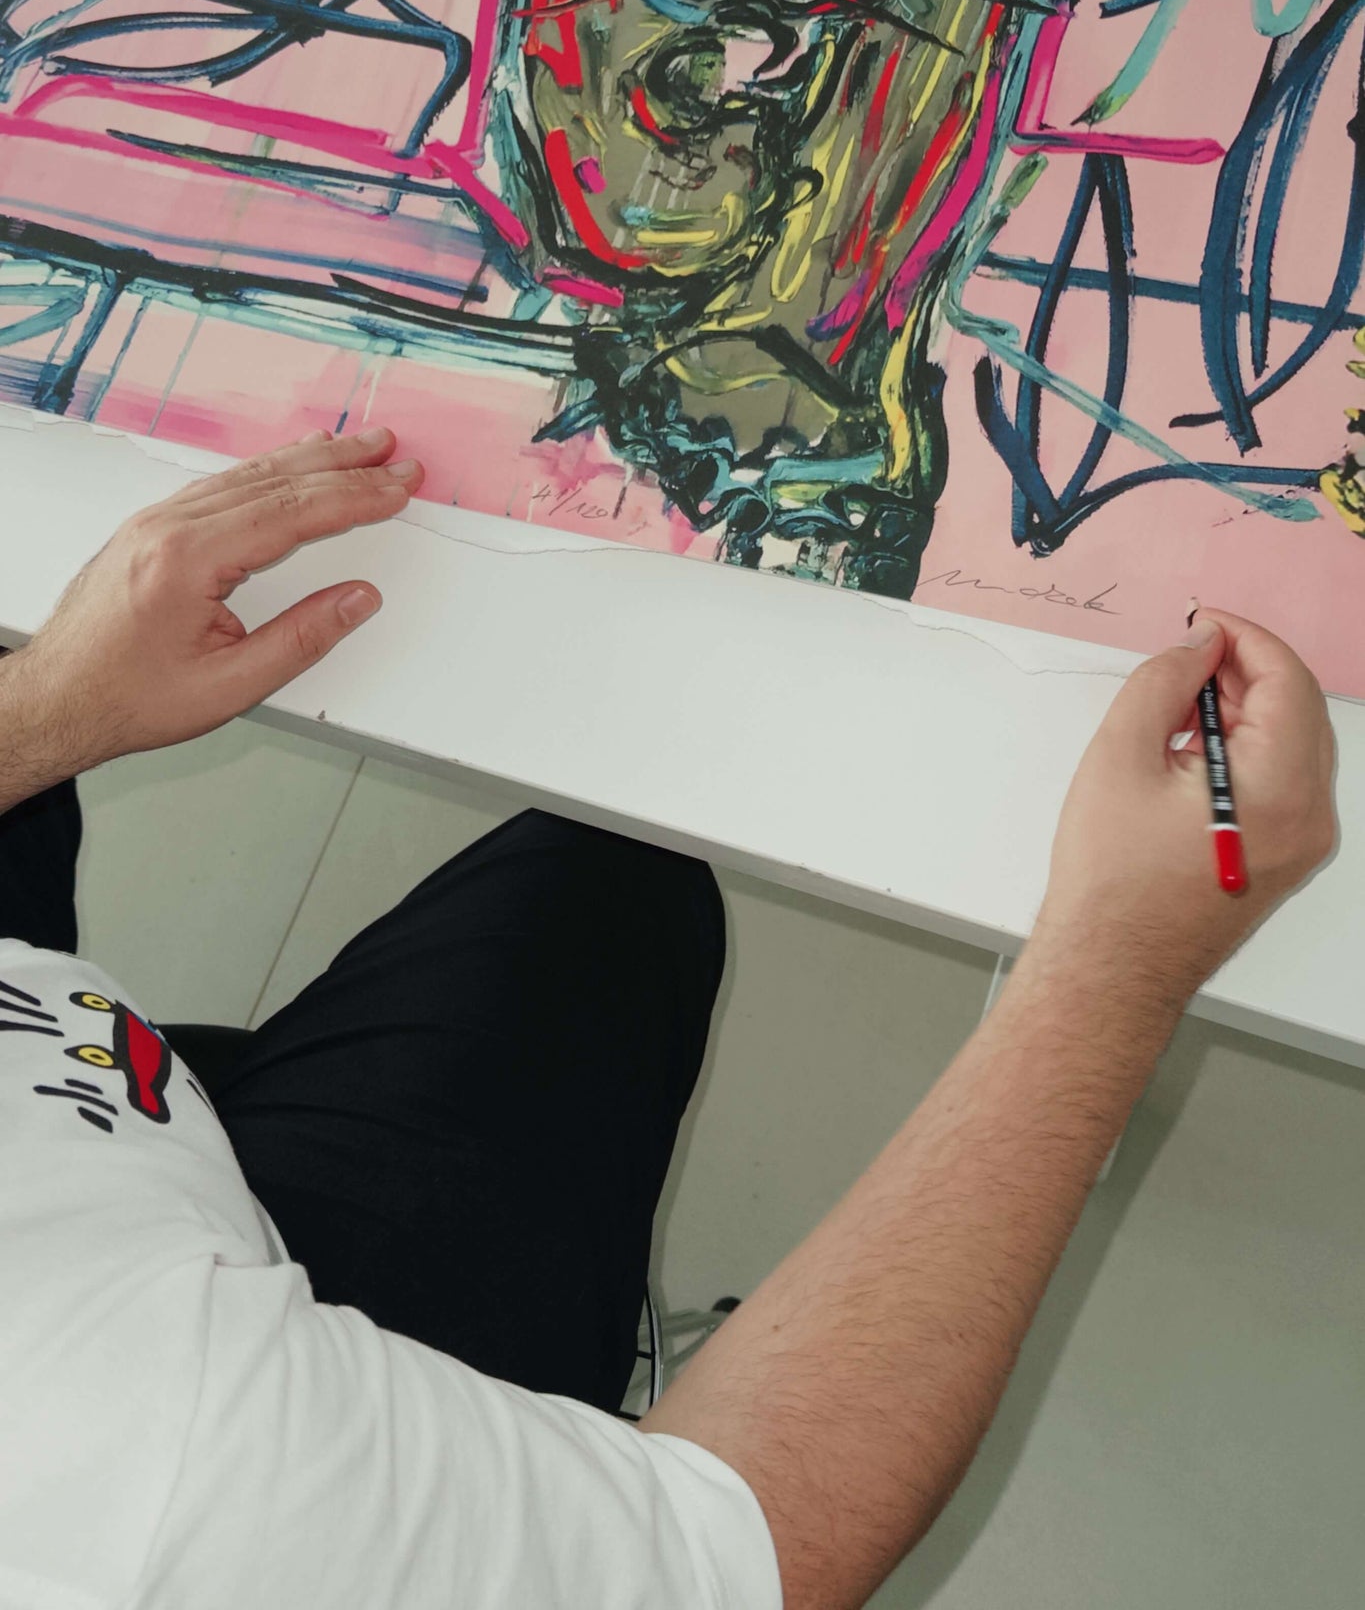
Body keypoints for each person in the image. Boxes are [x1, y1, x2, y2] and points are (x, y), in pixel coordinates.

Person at [0, 427, 1336, 1610]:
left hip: (72, 1135)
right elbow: (743, 1551)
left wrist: (44, 708)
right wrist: (1119, 956)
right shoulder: (132, 1478)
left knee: (592, 878)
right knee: (604, 904)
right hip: (217, 1376)